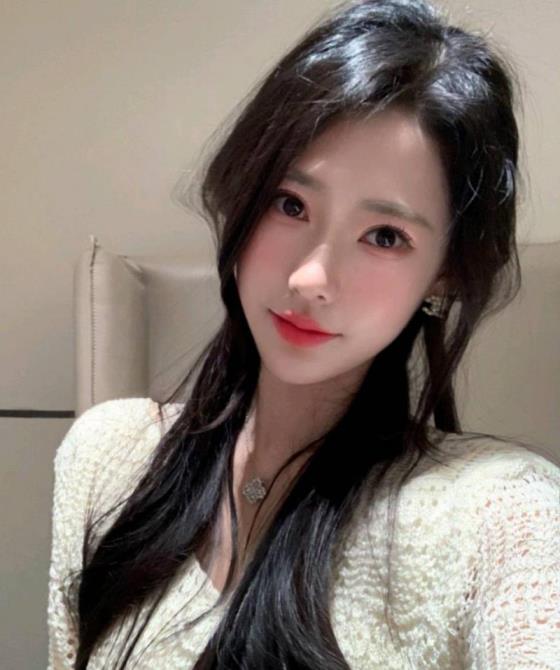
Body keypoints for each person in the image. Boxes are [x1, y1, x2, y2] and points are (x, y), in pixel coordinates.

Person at [47, 0, 560, 668]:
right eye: (290, 204)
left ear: (443, 275)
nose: (311, 277)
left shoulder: (500, 514)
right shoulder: (107, 459)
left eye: (385, 236)